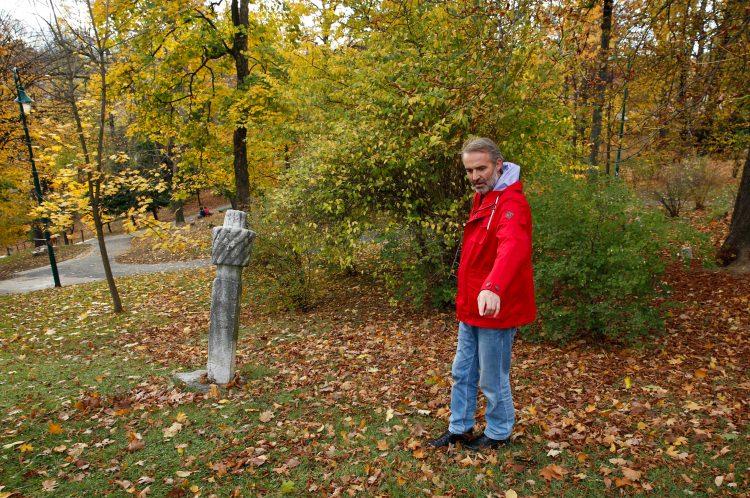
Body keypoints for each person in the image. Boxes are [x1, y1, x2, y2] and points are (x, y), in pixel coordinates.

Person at [428, 137, 536, 450]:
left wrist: (493, 286)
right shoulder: (484, 197)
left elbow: (512, 246)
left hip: (495, 306)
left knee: (492, 377)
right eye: (470, 170)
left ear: (498, 165)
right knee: (462, 371)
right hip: (472, 305)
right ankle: (460, 427)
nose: (475, 176)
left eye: (481, 168)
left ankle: (499, 433)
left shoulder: (511, 202)